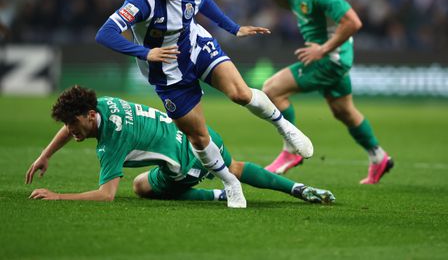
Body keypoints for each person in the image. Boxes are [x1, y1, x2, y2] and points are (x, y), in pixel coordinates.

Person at [95, 0, 313, 208]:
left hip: (197, 47)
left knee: (240, 93)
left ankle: (285, 128)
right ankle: (230, 183)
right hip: (167, 72)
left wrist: (233, 28)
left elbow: (203, 2)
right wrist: (145, 53)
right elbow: (104, 33)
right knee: (198, 137)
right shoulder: (142, 1)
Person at [25, 86, 334, 205]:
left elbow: (106, 196)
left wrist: (58, 196)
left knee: (141, 186)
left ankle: (215, 195)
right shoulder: (102, 104)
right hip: (200, 132)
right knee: (235, 167)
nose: (70, 131)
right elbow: (72, 127)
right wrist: (45, 154)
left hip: (187, 165)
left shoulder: (112, 141)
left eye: (73, 125)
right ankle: (299, 189)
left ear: (90, 116)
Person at [255, 0, 393, 184]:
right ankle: (379, 157)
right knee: (344, 111)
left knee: (272, 90)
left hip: (330, 58)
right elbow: (293, 2)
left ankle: (291, 151)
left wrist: (323, 49)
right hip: (337, 57)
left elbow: (353, 21)